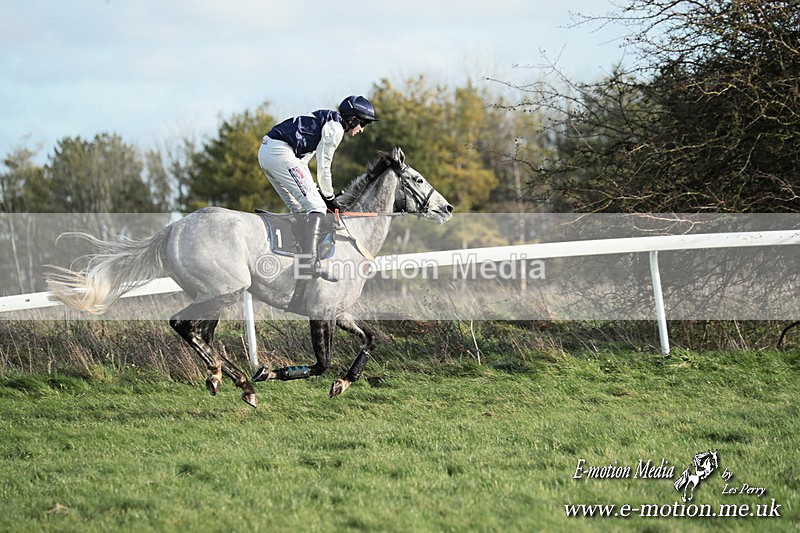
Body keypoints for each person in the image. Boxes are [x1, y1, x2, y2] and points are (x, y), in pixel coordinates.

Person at [258, 95, 377, 282]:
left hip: (269, 153)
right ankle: (310, 263)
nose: (361, 129)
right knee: (318, 207)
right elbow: (324, 167)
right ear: (353, 119)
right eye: (363, 123)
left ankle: (299, 254)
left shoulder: (326, 120)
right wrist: (329, 198)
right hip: (279, 153)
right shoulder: (335, 128)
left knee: (300, 207)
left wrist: (317, 191)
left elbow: (301, 164)